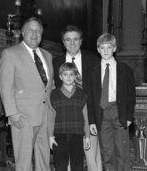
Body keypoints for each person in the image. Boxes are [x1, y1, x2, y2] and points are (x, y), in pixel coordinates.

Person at [0, 17, 54, 171]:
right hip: (23, 117)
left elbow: (49, 86)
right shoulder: (10, 54)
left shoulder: (47, 55)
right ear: (22, 32)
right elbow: (5, 86)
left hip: (44, 115)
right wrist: (12, 113)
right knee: (24, 161)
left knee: (44, 158)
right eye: (31, 30)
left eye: (38, 31)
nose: (35, 34)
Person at [53, 25, 102, 171]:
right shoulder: (55, 62)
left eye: (75, 39)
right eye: (68, 40)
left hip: (89, 115)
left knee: (92, 155)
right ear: (63, 42)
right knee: (68, 159)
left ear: (81, 41)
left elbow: (97, 92)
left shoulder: (93, 60)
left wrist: (93, 119)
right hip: (65, 120)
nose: (72, 43)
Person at [88, 33, 136, 171]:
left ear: (114, 48)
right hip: (101, 113)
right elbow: (90, 97)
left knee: (122, 151)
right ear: (98, 49)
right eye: (102, 48)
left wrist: (128, 116)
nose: (106, 51)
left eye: (109, 47)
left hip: (118, 110)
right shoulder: (93, 70)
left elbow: (131, 95)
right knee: (107, 151)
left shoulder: (125, 69)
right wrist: (92, 120)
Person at [49, 62, 91, 171]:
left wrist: (87, 136)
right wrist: (50, 135)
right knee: (60, 166)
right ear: (60, 76)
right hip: (59, 135)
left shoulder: (82, 94)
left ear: (76, 76)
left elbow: (86, 116)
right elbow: (51, 116)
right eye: (65, 74)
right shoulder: (54, 94)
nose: (68, 77)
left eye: (71, 74)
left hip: (77, 135)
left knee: (77, 166)